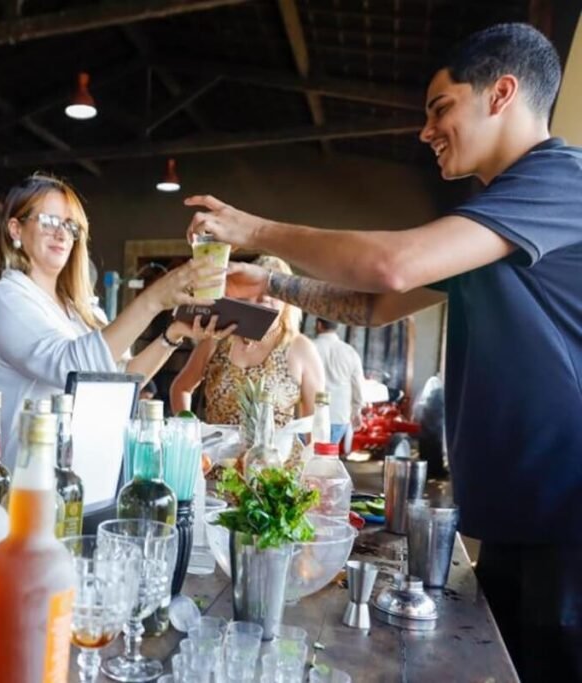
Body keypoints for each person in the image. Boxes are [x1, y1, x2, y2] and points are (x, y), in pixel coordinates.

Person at [183, 23, 581, 681]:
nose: (426, 130)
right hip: (522, 524)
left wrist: (252, 228)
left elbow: (393, 266)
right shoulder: (494, 218)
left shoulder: (559, 182)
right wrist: (274, 282)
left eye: (440, 107)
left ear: (502, 92)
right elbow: (371, 304)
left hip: (568, 527)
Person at [0, 172, 231, 466]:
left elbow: (119, 381)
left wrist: (172, 334)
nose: (62, 234)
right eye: (49, 221)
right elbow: (72, 369)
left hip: (80, 473)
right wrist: (153, 299)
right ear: (15, 229)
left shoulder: (81, 310)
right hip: (23, 478)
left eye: (70, 226)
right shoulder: (4, 298)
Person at [169, 257, 325, 461]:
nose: (265, 297)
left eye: (275, 291)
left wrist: (317, 469)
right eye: (258, 288)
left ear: (288, 301)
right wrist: (189, 439)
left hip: (276, 476)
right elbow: (180, 388)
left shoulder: (300, 348)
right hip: (217, 469)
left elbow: (316, 422)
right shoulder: (218, 338)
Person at [311, 318, 365, 448]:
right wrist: (357, 411)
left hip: (310, 417)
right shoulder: (350, 352)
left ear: (318, 325)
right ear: (338, 327)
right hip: (339, 417)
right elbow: (358, 386)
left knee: (306, 459)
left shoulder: (309, 347)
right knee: (327, 457)